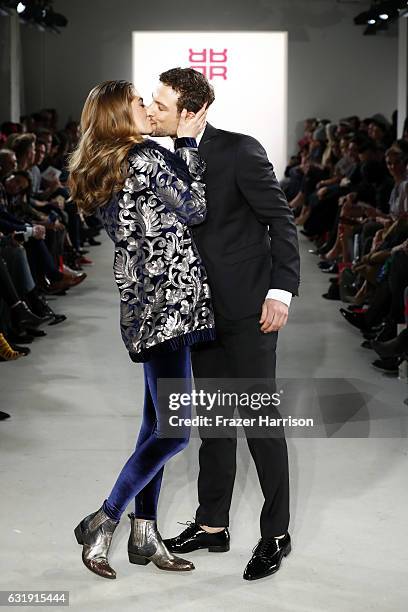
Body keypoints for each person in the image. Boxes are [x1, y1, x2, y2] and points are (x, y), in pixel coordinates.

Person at [146, 67, 300, 581]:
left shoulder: (239, 150)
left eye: (161, 105)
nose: (153, 110)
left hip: (249, 310)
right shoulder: (158, 159)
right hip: (197, 315)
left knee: (260, 423)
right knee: (213, 424)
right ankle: (213, 524)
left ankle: (275, 533)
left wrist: (281, 290)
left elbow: (280, 220)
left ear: (191, 112)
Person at [68, 80, 215, 579]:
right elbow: (196, 208)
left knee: (155, 424)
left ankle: (144, 533)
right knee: (174, 432)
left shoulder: (105, 161)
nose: (148, 109)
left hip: (143, 307)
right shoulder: (145, 157)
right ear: (118, 115)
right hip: (171, 306)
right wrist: (188, 146)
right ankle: (104, 519)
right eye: (138, 103)